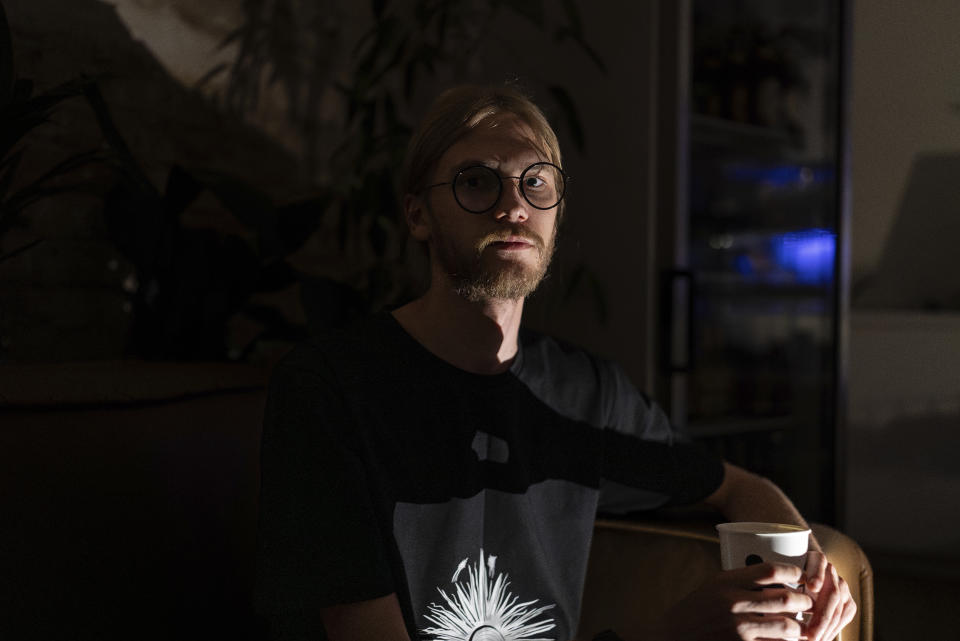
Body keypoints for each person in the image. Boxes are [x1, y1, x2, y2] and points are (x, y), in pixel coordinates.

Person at [254, 84, 856, 641]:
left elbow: (736, 486)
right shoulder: (331, 388)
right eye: (476, 181)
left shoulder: (587, 393)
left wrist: (806, 575)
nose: (513, 206)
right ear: (417, 214)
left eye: (535, 182)